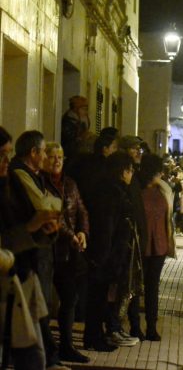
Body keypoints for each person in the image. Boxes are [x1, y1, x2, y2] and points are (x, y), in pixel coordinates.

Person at [8, 130, 66, 369]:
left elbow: (52, 204)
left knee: (39, 307)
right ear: (33, 152)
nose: (46, 157)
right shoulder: (19, 174)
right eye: (43, 152)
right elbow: (45, 204)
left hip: (35, 247)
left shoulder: (34, 175)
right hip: (25, 251)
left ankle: (47, 358)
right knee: (35, 308)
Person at [84, 152, 140, 350]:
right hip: (106, 254)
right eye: (130, 170)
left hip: (109, 253)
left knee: (99, 297)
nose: (131, 174)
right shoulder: (111, 192)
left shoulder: (110, 189)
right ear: (123, 171)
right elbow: (106, 227)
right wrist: (104, 256)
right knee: (98, 297)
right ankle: (94, 337)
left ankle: (95, 336)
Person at [43, 142, 90, 363]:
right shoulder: (41, 182)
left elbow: (81, 209)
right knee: (41, 301)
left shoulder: (69, 183)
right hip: (49, 248)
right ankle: (43, 348)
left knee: (70, 297)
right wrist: (71, 235)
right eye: (52, 156)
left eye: (60, 156)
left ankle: (66, 345)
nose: (57, 160)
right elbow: (54, 216)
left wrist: (82, 232)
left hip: (68, 253)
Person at [138, 154, 176, 340]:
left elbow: (168, 218)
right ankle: (134, 325)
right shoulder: (137, 190)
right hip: (141, 246)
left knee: (152, 287)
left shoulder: (164, 190)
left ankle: (151, 326)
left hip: (159, 245)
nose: (161, 174)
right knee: (136, 287)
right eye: (158, 171)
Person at [118, 135, 148, 340]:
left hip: (135, 237)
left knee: (134, 285)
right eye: (134, 149)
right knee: (124, 285)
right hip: (125, 239)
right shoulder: (122, 178)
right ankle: (118, 326)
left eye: (140, 149)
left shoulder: (135, 176)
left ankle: (134, 325)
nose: (138, 152)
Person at [61, 96, 90, 160]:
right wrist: (81, 137)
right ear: (76, 109)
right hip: (71, 154)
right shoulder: (69, 120)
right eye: (83, 109)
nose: (85, 112)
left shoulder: (83, 119)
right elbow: (68, 137)